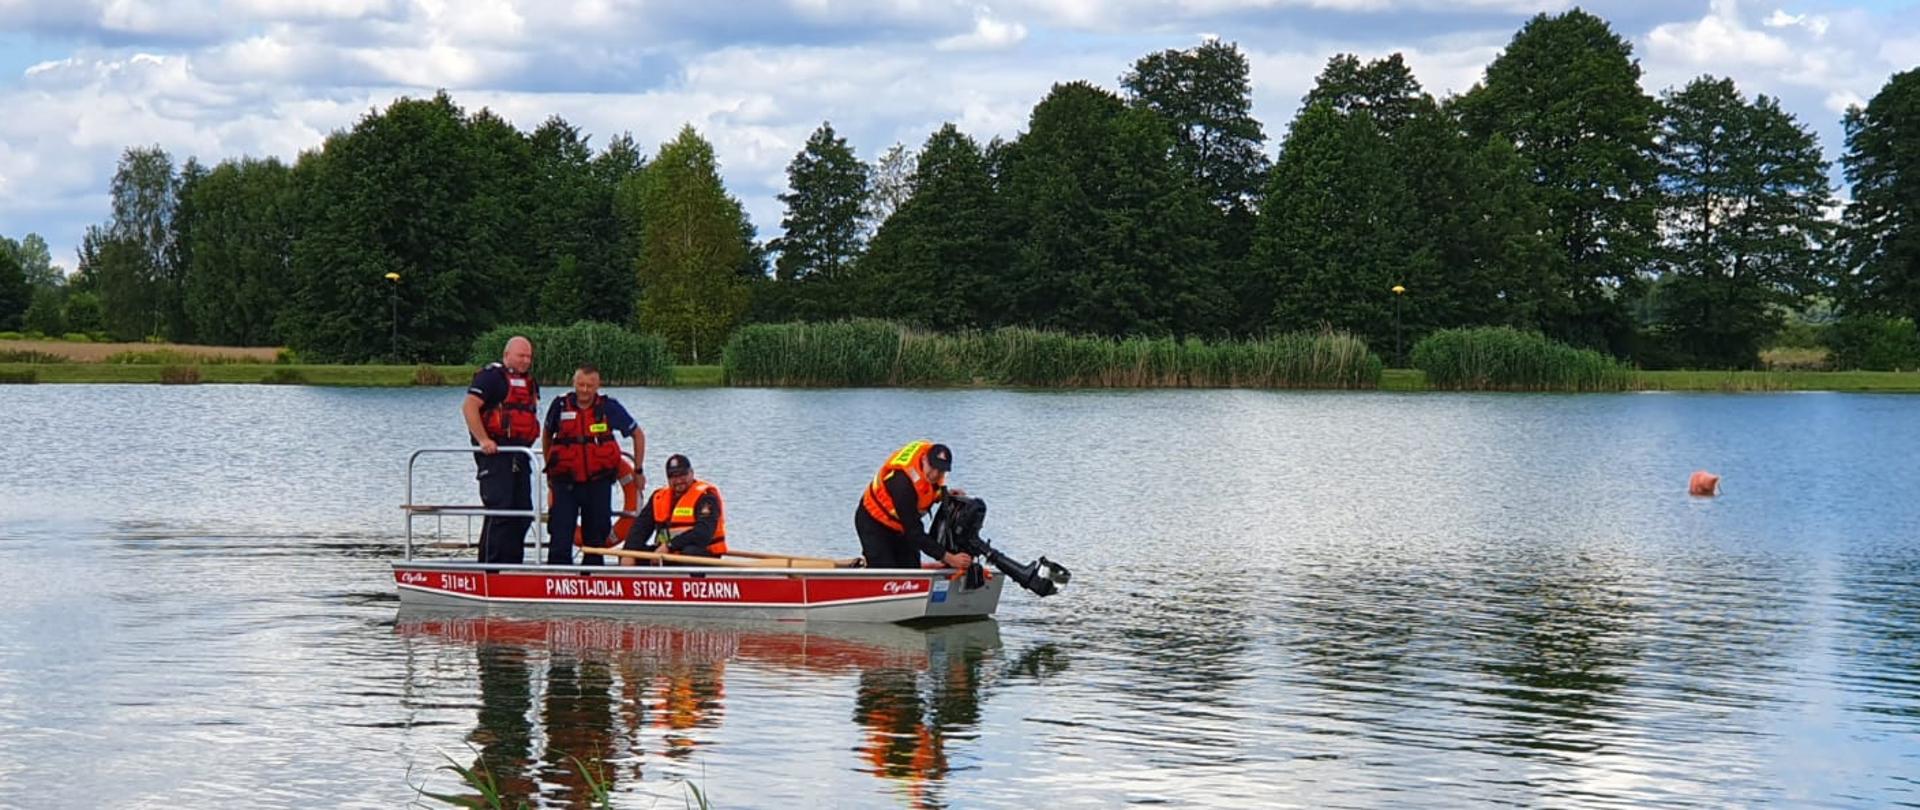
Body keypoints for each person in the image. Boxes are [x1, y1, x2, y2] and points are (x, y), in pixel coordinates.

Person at [541, 364, 645, 566]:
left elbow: (638, 435)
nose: (585, 390)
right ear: (574, 383)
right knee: (560, 536)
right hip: (565, 484)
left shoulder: (609, 408)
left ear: (598, 386)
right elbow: (546, 436)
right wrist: (549, 468)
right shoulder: (560, 406)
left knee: (595, 539)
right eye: (581, 385)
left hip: (598, 484)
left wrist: (638, 469)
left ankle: (591, 580)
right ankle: (557, 581)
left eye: (590, 385)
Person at [462, 336, 540, 564]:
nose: (525, 360)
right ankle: (490, 567)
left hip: (520, 454)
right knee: (500, 510)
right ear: (507, 355)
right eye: (520, 355)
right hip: (495, 455)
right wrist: (483, 440)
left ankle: (512, 564)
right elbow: (469, 407)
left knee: (523, 512)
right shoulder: (491, 378)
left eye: (528, 356)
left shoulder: (529, 383)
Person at [854, 441, 973, 571]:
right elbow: (915, 533)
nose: (935, 474)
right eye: (932, 468)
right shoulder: (902, 484)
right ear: (924, 460)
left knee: (911, 568)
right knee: (887, 571)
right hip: (873, 521)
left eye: (941, 471)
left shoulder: (931, 471)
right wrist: (949, 558)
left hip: (900, 525)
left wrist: (944, 495)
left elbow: (926, 490)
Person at [621, 454, 727, 562]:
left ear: (691, 473)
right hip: (668, 553)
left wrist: (670, 546)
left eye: (682, 475)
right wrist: (628, 552)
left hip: (700, 553)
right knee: (630, 551)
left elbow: (703, 533)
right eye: (673, 476)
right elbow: (640, 529)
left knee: (689, 552)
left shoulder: (706, 497)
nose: (678, 480)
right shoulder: (658, 497)